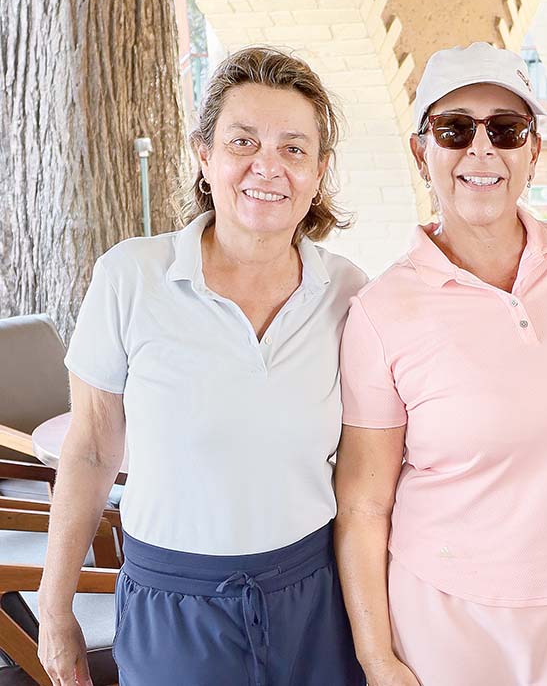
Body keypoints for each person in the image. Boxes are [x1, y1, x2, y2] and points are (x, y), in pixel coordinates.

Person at [37, 47, 368, 686]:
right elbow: (91, 449)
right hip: (174, 602)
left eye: (293, 148)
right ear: (204, 156)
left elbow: (365, 468)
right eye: (242, 142)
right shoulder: (131, 276)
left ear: (319, 171)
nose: (267, 166)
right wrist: (55, 609)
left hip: (316, 595)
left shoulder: (348, 291)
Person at [334, 42, 547, 686]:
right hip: (446, 617)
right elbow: (363, 505)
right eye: (454, 130)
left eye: (505, 129)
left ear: (533, 150)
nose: (481, 150)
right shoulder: (381, 310)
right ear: (421, 153)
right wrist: (377, 657)